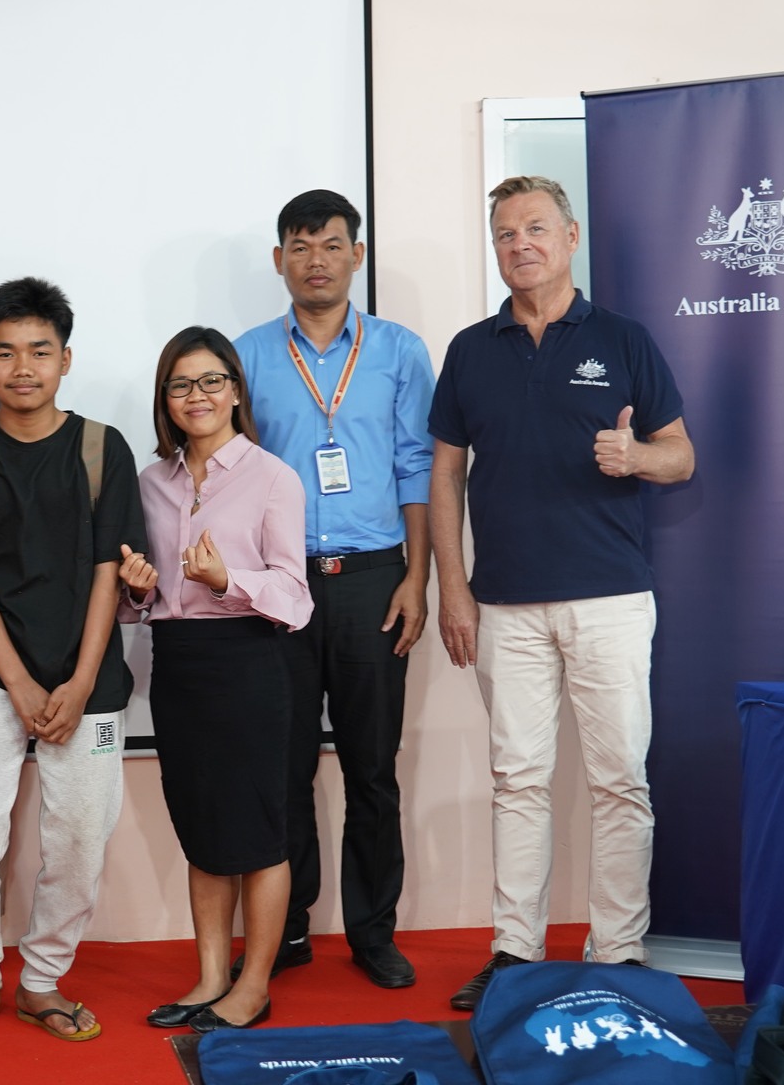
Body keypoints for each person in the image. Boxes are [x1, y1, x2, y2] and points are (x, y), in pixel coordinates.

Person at [428, 176, 693, 1011]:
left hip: (609, 599)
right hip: (503, 603)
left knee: (620, 781)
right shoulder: (470, 350)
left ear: (571, 238)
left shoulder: (623, 338)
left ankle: (619, 953)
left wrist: (637, 458)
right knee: (518, 780)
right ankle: (515, 952)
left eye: (536, 229)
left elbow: (680, 454)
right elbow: (445, 477)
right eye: (506, 234)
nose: (521, 245)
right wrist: (453, 589)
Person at [0, 276, 146, 1048]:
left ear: (65, 359)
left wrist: (79, 683)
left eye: (40, 351)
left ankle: (42, 979)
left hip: (90, 681)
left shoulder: (102, 447)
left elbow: (110, 574)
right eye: (6, 352)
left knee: (80, 838)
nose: (23, 368)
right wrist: (17, 682)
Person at [233, 189, 435, 989]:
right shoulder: (247, 355)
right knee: (280, 767)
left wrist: (417, 576)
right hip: (281, 585)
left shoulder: (400, 351)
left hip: (374, 580)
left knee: (371, 768)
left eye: (330, 245)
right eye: (300, 245)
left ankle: (373, 932)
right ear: (278, 259)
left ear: (357, 254)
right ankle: (284, 928)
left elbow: (418, 466)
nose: (315, 260)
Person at [120, 327, 311, 1034]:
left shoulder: (272, 476)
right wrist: (138, 589)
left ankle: (253, 986)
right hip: (177, 664)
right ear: (165, 399)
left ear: (234, 390)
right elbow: (140, 603)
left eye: (210, 381)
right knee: (201, 827)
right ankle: (209, 978)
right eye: (180, 384)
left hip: (248, 662)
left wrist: (228, 580)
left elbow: (296, 597)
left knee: (257, 831)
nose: (195, 395)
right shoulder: (151, 482)